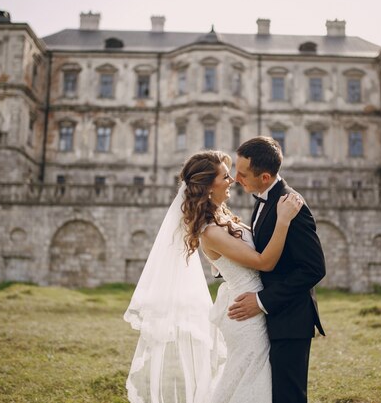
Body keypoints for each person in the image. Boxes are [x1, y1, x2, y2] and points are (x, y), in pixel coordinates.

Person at [124, 150, 303, 403]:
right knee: (253, 381)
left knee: (245, 380)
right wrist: (283, 220)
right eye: (225, 176)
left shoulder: (222, 218)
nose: (231, 181)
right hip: (246, 317)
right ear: (208, 186)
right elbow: (264, 261)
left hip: (250, 306)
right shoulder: (210, 232)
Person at [228, 136, 326, 403]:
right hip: (272, 320)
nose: (236, 179)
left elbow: (314, 268)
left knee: (288, 397)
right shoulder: (263, 198)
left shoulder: (291, 205)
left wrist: (261, 301)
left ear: (265, 176)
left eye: (242, 174)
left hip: (291, 320)